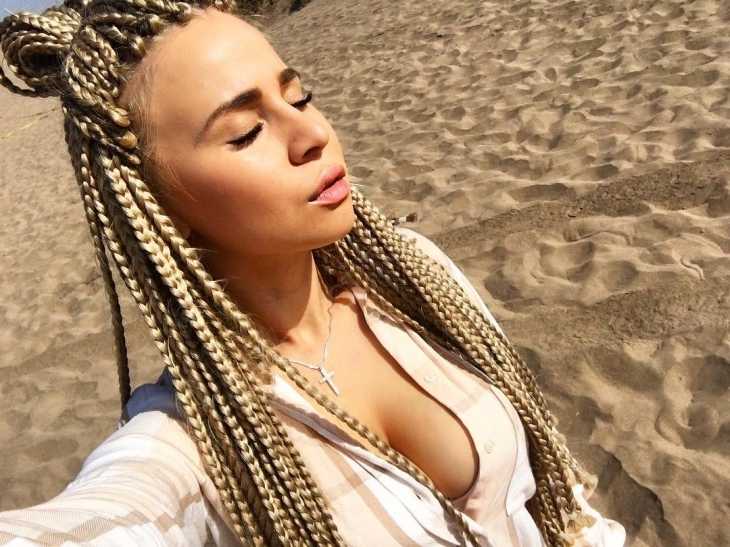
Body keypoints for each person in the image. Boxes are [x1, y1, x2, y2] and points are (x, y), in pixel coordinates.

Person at [0, 1, 626, 546]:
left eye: (299, 96)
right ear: (156, 205)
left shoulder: (414, 279)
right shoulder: (195, 441)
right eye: (246, 133)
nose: (313, 133)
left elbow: (562, 505)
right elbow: (104, 519)